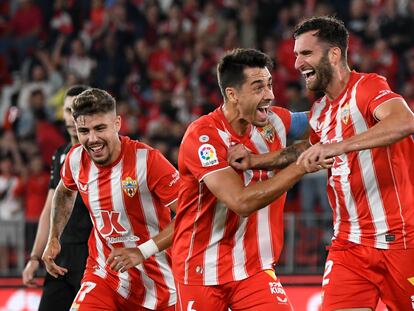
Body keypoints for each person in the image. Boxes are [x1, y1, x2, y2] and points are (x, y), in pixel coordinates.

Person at [230, 16, 414, 311]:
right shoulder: (320, 110)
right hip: (348, 246)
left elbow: (405, 121)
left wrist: (339, 145)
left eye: (306, 53)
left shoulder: (367, 86)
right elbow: (306, 150)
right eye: (296, 55)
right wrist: (255, 160)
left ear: (334, 54)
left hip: (401, 242)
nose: (297, 63)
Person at [172, 48, 321, 311]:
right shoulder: (204, 137)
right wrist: (300, 167)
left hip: (254, 268)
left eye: (270, 84)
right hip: (202, 269)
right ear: (232, 94)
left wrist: (360, 108)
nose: (270, 95)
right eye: (258, 88)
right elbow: (240, 202)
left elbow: (321, 121)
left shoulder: (274, 121)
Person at [41, 88, 179, 311]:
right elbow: (65, 191)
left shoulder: (147, 161)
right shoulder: (75, 159)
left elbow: (192, 214)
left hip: (160, 286)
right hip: (104, 276)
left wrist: (141, 251)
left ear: (117, 123)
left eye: (100, 128)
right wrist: (54, 236)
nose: (93, 139)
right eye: (84, 130)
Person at [22, 85, 93, 310]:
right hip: (60, 256)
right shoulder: (61, 154)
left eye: (76, 110)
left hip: (91, 258)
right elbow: (49, 208)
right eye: (67, 110)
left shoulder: (100, 153)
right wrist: (34, 257)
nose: (71, 117)